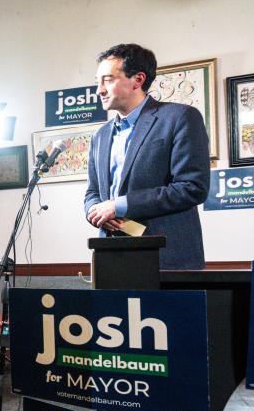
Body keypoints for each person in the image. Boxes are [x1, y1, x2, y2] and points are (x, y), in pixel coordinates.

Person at [84, 43, 210, 270]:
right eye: (97, 82)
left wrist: (118, 206)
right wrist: (94, 211)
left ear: (138, 80)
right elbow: (93, 193)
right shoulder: (100, 136)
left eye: (108, 80)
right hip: (111, 257)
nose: (99, 90)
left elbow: (192, 187)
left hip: (167, 257)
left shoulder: (180, 118)